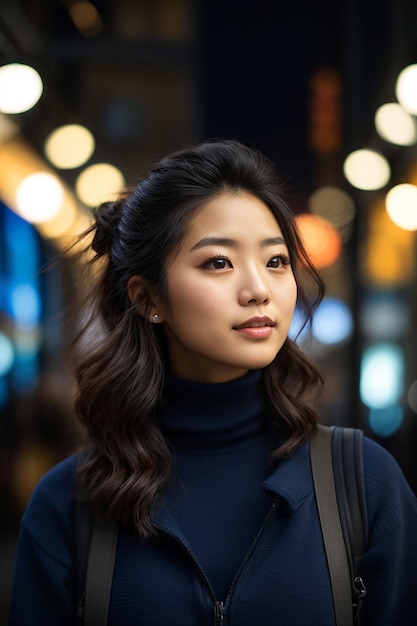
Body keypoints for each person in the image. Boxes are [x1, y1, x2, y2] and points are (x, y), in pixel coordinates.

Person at [8, 139, 417, 625]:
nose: (258, 290)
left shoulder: (363, 483)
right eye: (218, 262)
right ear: (146, 297)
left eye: (276, 261)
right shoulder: (70, 504)